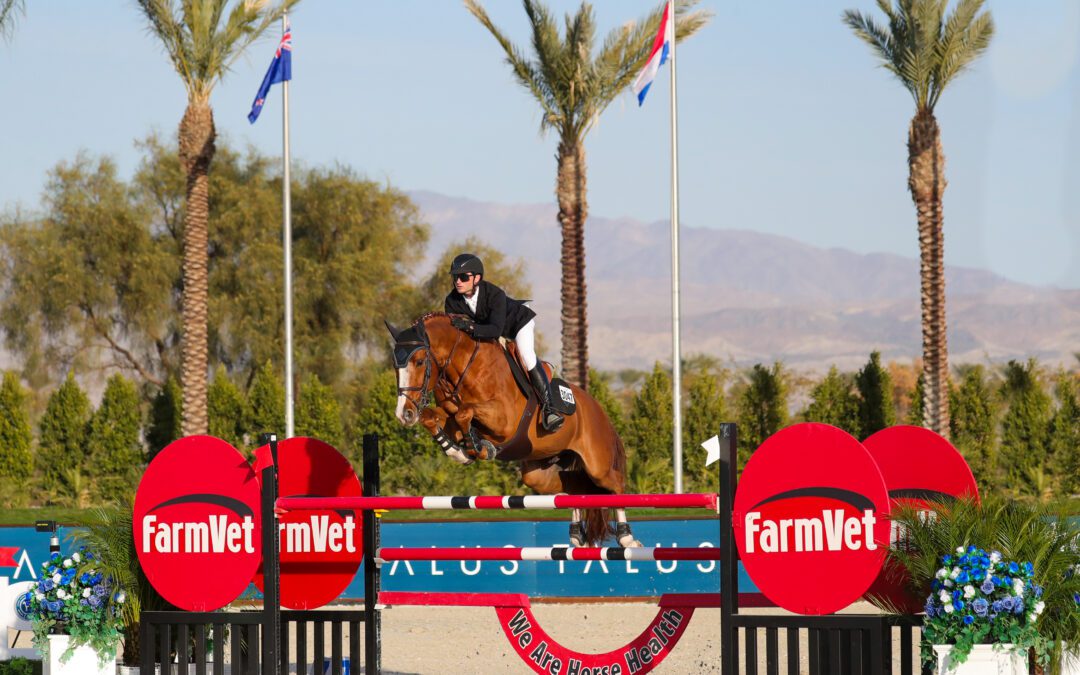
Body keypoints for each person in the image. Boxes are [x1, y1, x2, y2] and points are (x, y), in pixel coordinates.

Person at [443, 253, 564, 433]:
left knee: (527, 356)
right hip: (488, 331)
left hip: (517, 324)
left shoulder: (494, 294)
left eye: (463, 277)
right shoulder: (451, 301)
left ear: (477, 278)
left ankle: (549, 409)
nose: (458, 281)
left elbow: (495, 330)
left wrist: (470, 327)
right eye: (455, 277)